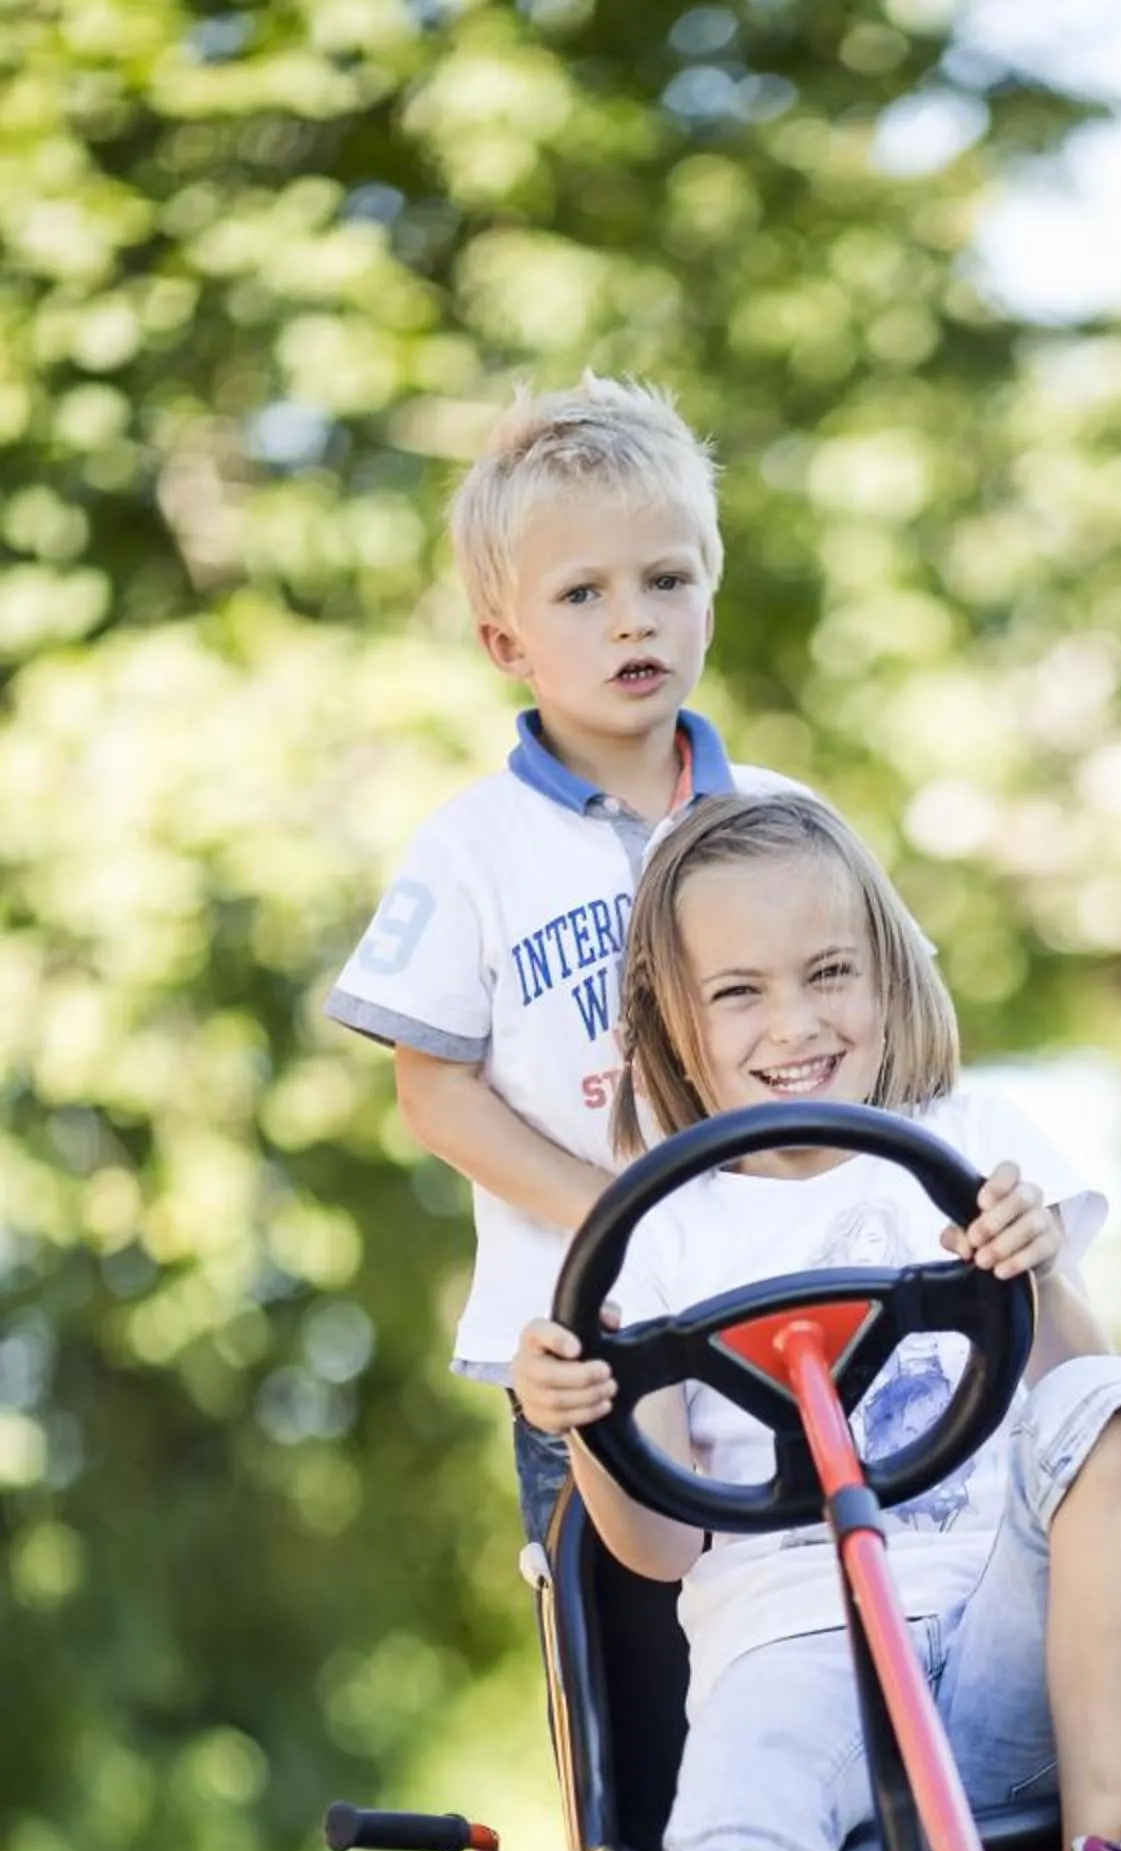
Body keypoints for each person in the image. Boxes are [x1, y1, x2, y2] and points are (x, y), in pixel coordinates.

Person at [510, 790, 1121, 1851]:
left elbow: (1086, 1415)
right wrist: (584, 1418)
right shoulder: (650, 1237)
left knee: (1118, 1405)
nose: (794, 1025)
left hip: (1013, 1652)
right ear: (675, 1024)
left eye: (828, 973)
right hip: (795, 1660)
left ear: (888, 974)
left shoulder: (965, 1147)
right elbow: (658, 1550)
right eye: (738, 994)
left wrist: (1037, 1269)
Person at [323, 372, 813, 1549]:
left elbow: (889, 1040)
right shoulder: (471, 852)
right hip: (586, 1343)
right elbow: (432, 1088)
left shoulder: (789, 822)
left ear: (709, 591)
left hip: (796, 1303)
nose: (633, 620)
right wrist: (613, 1216)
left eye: (663, 582)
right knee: (635, 1670)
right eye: (582, 594)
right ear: (506, 641)